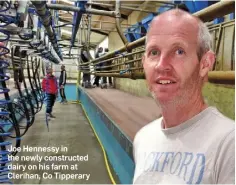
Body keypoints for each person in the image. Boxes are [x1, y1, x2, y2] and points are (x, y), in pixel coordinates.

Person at [132, 9, 235, 184]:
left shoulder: (229, 144)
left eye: (179, 51)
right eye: (154, 53)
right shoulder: (143, 138)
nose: (162, 65)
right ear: (144, 63)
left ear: (205, 64)